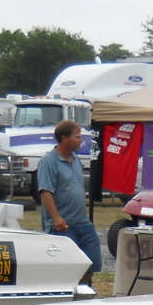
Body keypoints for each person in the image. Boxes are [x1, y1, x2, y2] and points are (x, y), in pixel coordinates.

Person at [36, 120, 99, 285]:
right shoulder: (49, 161)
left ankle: (79, 293)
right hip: (62, 225)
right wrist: (56, 217)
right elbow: (45, 191)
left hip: (82, 223)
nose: (81, 141)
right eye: (77, 137)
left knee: (91, 263)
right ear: (64, 138)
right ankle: (67, 293)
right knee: (67, 268)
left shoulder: (76, 160)